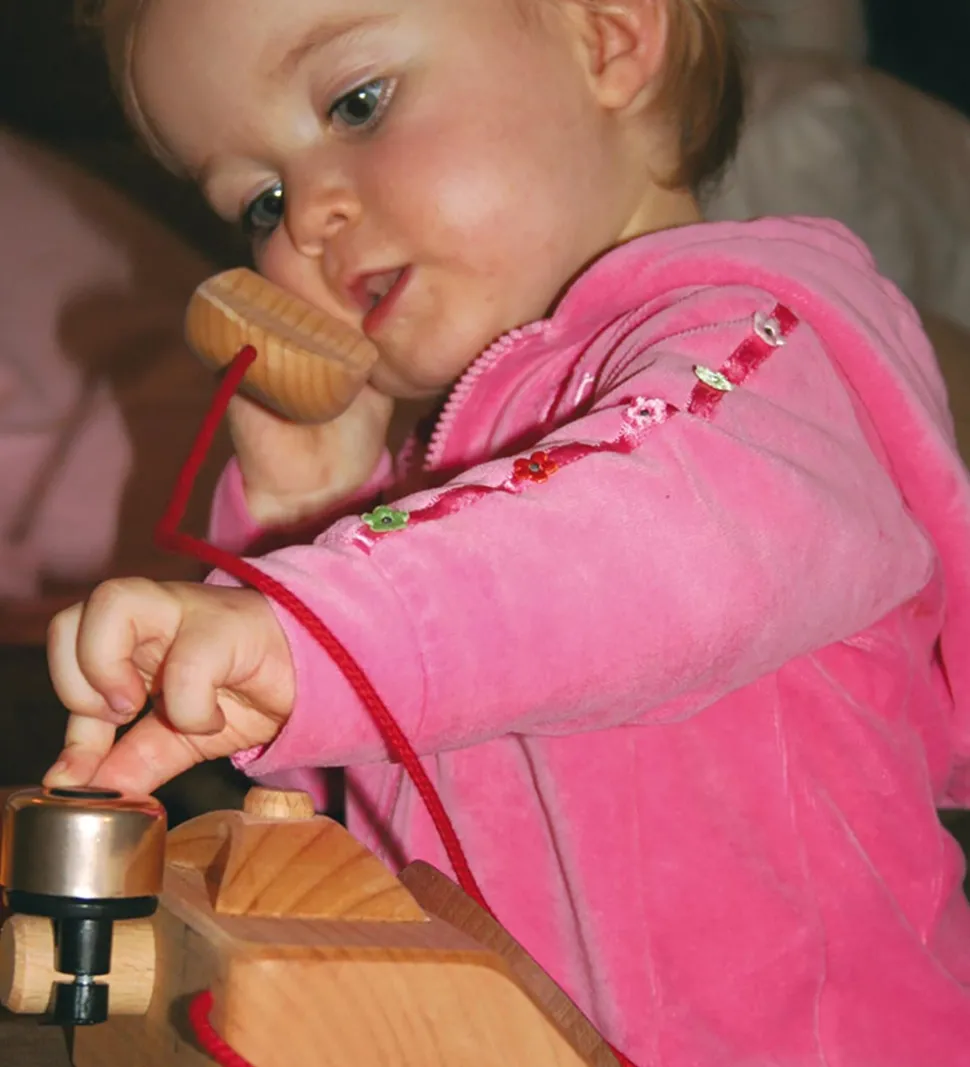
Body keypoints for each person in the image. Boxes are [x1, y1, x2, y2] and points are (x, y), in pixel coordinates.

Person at [46, 0, 970, 1062]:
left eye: (358, 102)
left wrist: (314, 619)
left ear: (610, 36)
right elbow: (386, 795)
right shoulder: (457, 501)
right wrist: (315, 513)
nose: (302, 221)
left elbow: (642, 549)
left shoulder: (759, 352)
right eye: (258, 199)